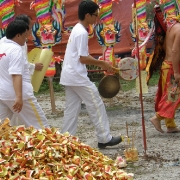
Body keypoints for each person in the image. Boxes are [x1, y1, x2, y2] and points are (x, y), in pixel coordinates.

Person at [60, 0, 122, 148]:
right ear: (87, 15)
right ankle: (104, 138)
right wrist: (103, 63)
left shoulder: (77, 28)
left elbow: (80, 56)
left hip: (69, 75)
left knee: (71, 109)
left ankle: (65, 140)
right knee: (96, 104)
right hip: (77, 76)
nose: (96, 19)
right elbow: (82, 58)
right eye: (95, 15)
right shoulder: (81, 32)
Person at [0, 20, 49, 129]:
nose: (27, 39)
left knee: (2, 128)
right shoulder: (16, 49)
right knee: (41, 127)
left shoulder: (2, 46)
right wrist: (19, 97)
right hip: (18, 94)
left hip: (3, 95)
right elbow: (16, 74)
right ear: (18, 35)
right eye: (25, 36)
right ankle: (50, 145)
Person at [150, 15, 180, 133]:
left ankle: (170, 125)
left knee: (169, 94)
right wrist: (177, 72)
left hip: (167, 65)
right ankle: (157, 117)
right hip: (173, 67)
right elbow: (175, 51)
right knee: (174, 95)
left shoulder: (173, 26)